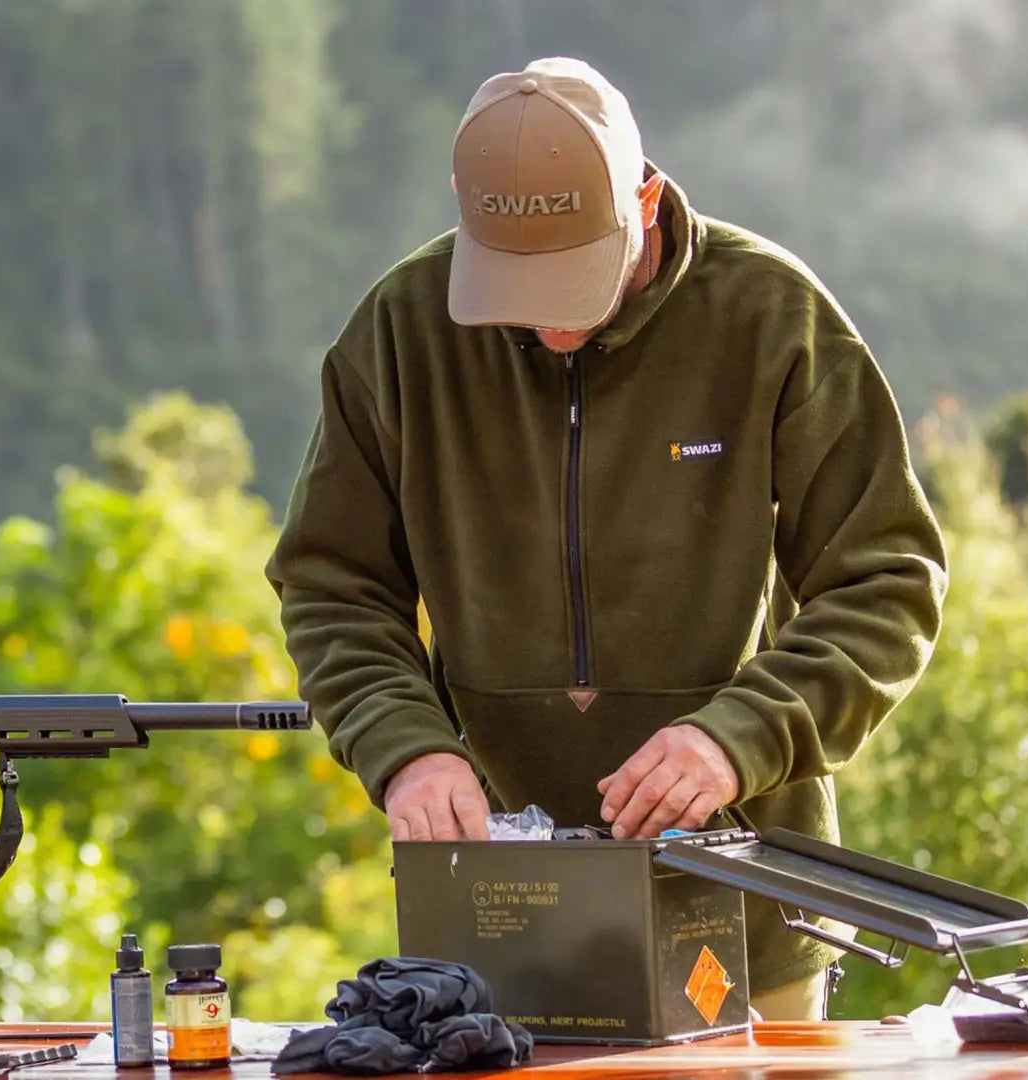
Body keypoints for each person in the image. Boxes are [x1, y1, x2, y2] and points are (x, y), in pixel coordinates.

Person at [265, 57, 947, 1021]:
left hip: (748, 903)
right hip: (495, 914)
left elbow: (889, 581)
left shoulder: (772, 318)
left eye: (577, 278)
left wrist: (735, 739)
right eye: (517, 286)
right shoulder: (401, 331)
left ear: (648, 199)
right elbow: (333, 586)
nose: (550, 327)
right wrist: (407, 747)